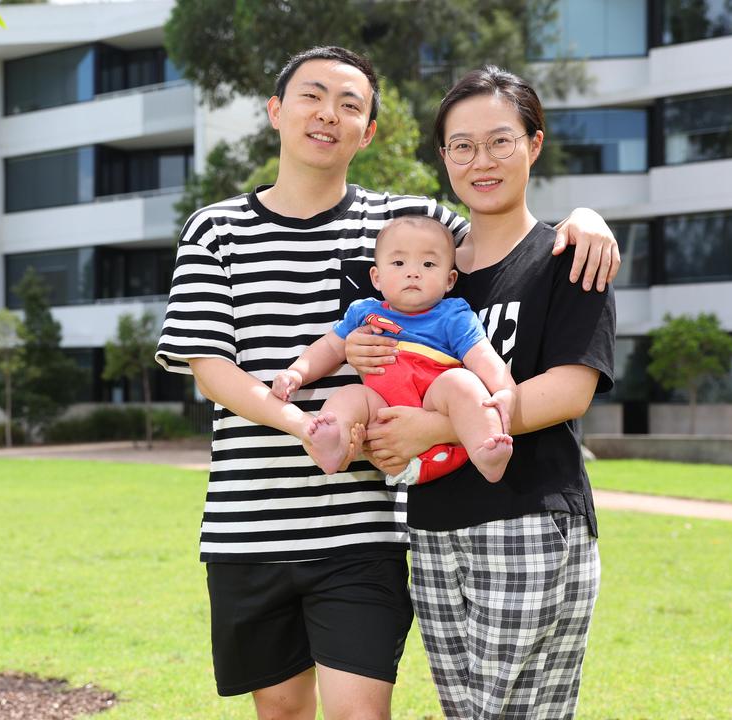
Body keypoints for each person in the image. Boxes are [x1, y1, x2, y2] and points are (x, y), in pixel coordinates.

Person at [155, 46, 619, 720]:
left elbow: (508, 233)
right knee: (281, 710)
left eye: (351, 105)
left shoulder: (403, 224)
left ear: (369, 130)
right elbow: (211, 369)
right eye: (312, 97)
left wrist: (585, 219)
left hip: (365, 526)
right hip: (248, 522)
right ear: (276, 111)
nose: (329, 115)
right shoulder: (216, 229)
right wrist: (303, 422)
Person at [347, 66, 616, 719]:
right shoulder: (424, 270)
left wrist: (435, 429)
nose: (481, 160)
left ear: (534, 144)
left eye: (500, 141)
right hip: (435, 526)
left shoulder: (568, 256)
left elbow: (569, 390)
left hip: (529, 517)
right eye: (461, 145)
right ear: (443, 157)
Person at [270, 215, 515, 482]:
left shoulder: (453, 315)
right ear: (376, 277)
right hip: (383, 425)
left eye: (429, 264)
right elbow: (329, 347)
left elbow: (483, 357)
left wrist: (505, 391)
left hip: (437, 420)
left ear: (449, 280)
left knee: (461, 381)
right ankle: (335, 446)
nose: (413, 272)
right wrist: (296, 374)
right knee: (351, 396)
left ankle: (487, 450)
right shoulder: (365, 313)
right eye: (398, 263)